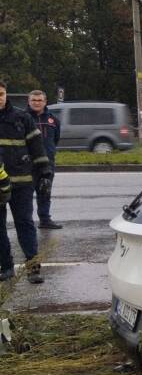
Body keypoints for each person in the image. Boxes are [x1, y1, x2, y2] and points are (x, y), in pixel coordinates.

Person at [0, 81, 52, 283]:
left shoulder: (22, 118)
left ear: (6, 95)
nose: (0, 98)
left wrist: (45, 173)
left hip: (21, 184)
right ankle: (6, 267)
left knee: (25, 225)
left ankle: (33, 269)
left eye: (2, 93)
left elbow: (37, 148)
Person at [27, 90, 62, 229]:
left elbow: (56, 139)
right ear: (29, 102)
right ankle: (26, 222)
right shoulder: (23, 118)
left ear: (45, 102)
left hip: (47, 163)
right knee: (26, 195)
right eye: (33, 100)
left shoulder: (53, 120)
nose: (36, 103)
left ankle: (45, 220)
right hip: (28, 164)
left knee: (45, 191)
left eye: (39, 100)